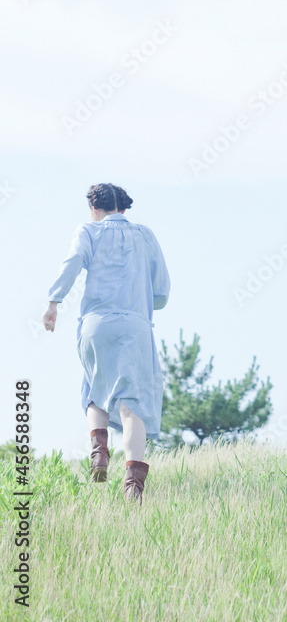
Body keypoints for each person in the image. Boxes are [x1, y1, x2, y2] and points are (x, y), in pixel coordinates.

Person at [42, 183, 170, 505]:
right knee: (132, 406)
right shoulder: (145, 235)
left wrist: (53, 301)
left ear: (94, 209)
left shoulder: (88, 231)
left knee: (94, 389)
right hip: (135, 326)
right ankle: (133, 487)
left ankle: (99, 453)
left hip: (96, 324)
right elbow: (163, 292)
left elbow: (72, 262)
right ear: (124, 209)